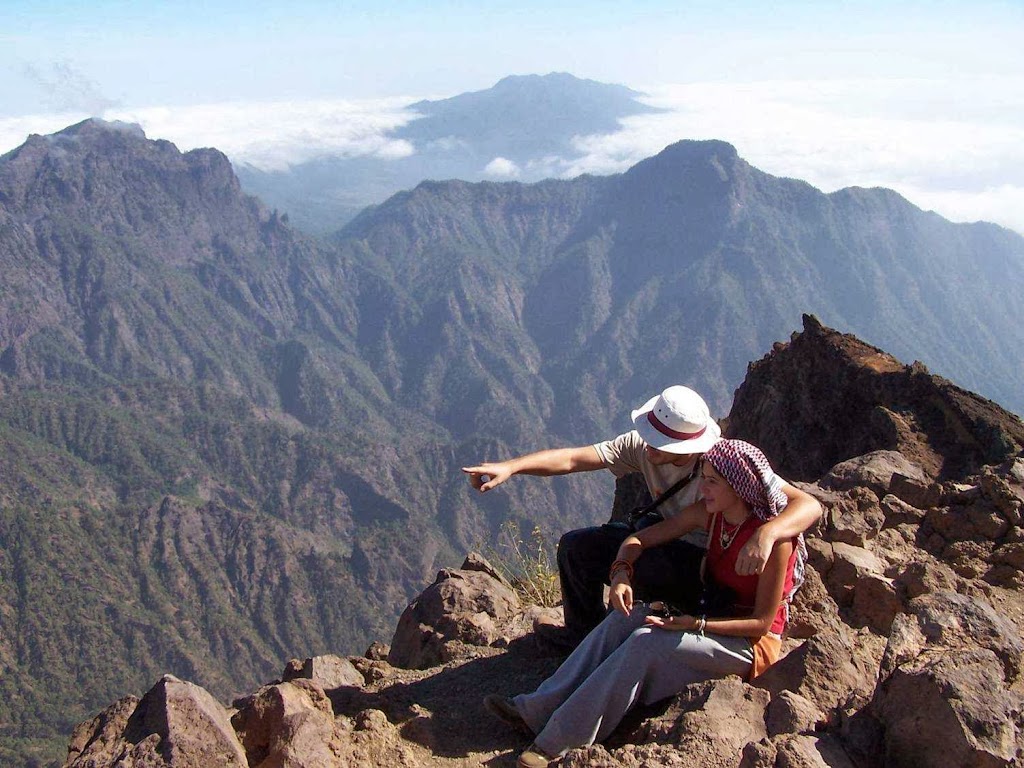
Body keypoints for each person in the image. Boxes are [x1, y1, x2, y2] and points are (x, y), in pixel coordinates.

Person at [484, 439, 806, 768]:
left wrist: (695, 625)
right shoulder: (713, 516)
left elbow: (762, 624)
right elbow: (637, 540)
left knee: (645, 644)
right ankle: (536, 709)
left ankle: (556, 744)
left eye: (712, 482)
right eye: (703, 478)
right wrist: (621, 573)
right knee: (626, 618)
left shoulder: (774, 541)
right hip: (708, 615)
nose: (702, 488)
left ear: (739, 487)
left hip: (749, 645)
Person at [462, 385, 820, 648]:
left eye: (657, 442)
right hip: (662, 536)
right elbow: (574, 459)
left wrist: (767, 534)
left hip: (703, 567)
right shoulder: (644, 449)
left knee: (646, 569)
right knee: (576, 547)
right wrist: (512, 467)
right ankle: (581, 637)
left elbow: (808, 504)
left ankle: (633, 638)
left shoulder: (723, 467)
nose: (647, 446)